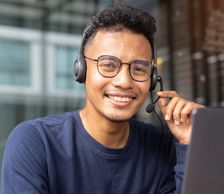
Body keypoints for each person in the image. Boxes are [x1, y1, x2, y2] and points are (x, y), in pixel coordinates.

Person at [1, 4, 204, 194]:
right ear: (81, 70)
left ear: (151, 80)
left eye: (139, 69)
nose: (124, 82)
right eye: (108, 65)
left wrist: (192, 144)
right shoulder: (35, 142)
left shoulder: (163, 147)